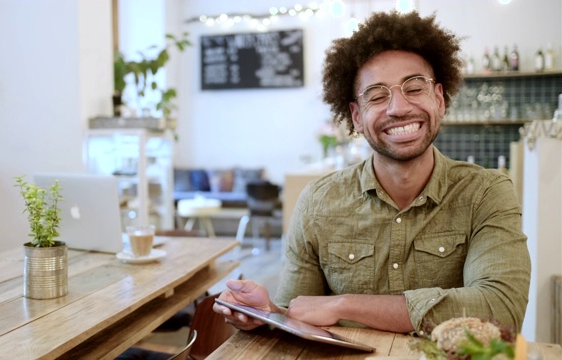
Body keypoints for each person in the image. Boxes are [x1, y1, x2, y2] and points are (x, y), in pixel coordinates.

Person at [213, 10, 530, 335]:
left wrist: (343, 305)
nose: (398, 107)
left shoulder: (486, 193)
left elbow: (501, 309)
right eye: (377, 96)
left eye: (415, 88)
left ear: (439, 99)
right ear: (357, 116)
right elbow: (297, 315)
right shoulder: (318, 203)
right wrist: (267, 313)